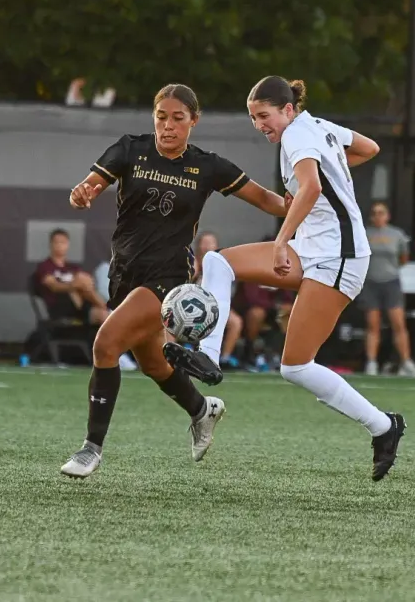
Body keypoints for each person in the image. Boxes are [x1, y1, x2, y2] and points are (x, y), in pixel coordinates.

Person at [164, 76, 407, 481]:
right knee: (218, 262)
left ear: (288, 110)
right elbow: (369, 149)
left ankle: (384, 426)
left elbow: (310, 187)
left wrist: (281, 239)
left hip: (340, 257)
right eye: (253, 118)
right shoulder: (318, 127)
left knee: (295, 367)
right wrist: (333, 177)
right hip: (315, 249)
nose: (260, 125)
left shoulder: (297, 135)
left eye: (264, 115)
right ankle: (209, 354)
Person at [58, 84, 288, 478]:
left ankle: (90, 449)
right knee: (153, 363)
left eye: (178, 118)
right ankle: (203, 409)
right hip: (125, 273)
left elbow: (270, 201)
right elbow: (93, 182)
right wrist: (85, 192)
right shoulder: (130, 149)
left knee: (106, 344)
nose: (168, 125)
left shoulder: (208, 166)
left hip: (169, 279)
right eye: (161, 116)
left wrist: (311, 199)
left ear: (193, 121)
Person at [360, 201, 415, 377]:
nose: (378, 216)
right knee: (372, 324)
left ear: (387, 215)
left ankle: (406, 362)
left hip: (391, 282)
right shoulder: (364, 233)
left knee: (398, 324)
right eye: (375, 213)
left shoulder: (397, 234)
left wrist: (393, 268)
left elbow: (404, 257)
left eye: (381, 213)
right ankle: (371, 363)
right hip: (370, 283)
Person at [34, 229, 110, 327]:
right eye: (56, 242)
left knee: (103, 316)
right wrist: (74, 285)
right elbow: (53, 286)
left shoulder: (73, 268)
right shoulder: (45, 266)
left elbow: (87, 284)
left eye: (63, 242)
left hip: (81, 305)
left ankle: (105, 309)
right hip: (59, 307)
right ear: (51, 244)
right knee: (81, 282)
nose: (59, 245)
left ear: (67, 245)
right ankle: (107, 307)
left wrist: (80, 283)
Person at [194, 232, 244, 369]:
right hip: (194, 304)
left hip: (214, 305)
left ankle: (225, 358)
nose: (207, 246)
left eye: (211, 242)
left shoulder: (221, 261)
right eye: (204, 242)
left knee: (236, 322)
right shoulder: (193, 262)